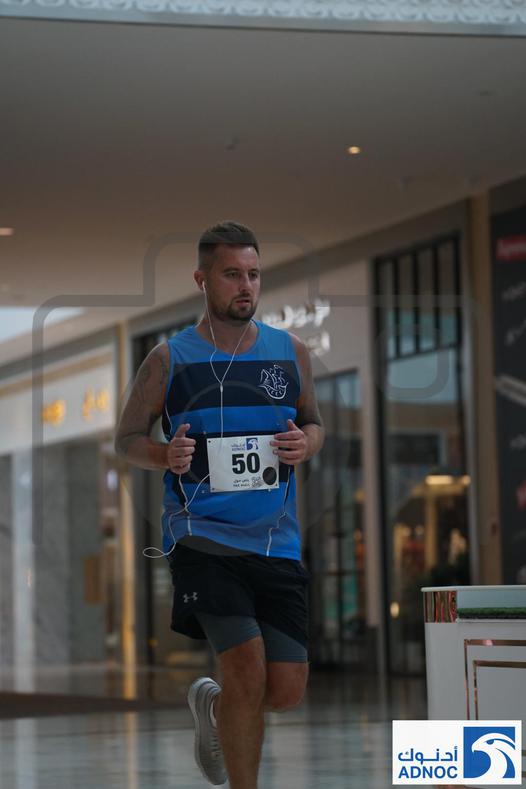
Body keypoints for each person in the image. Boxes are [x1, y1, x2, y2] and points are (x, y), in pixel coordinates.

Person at [115, 221, 325, 788]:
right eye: (232, 274)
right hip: (201, 535)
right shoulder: (169, 359)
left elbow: (314, 422)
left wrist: (306, 443)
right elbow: (126, 439)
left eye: (254, 274)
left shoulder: (291, 352)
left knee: (285, 689)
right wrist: (164, 455)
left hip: (276, 540)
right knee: (246, 666)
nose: (246, 286)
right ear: (202, 279)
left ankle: (213, 702)